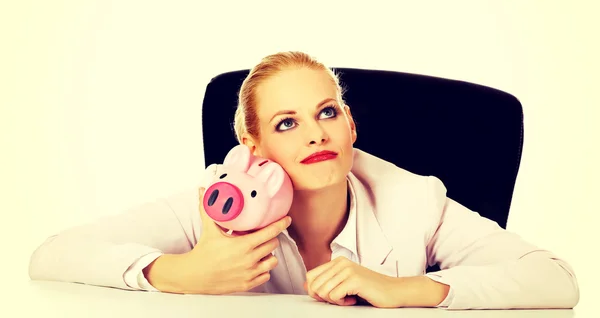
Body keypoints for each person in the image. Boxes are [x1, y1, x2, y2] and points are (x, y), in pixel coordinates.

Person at [29, 51, 580, 309]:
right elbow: (53, 254)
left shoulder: (415, 201)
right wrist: (180, 272)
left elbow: (555, 280)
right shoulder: (214, 204)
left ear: (350, 125)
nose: (315, 135)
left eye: (328, 112)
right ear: (254, 146)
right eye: (286, 123)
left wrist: (402, 290)